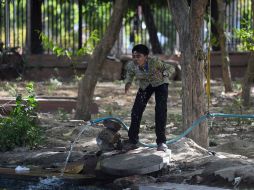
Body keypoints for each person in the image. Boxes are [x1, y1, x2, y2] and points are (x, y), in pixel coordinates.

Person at [124, 44, 174, 152]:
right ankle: (133, 140)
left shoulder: (155, 62)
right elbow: (129, 74)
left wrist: (164, 74)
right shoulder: (132, 65)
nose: (136, 59)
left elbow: (170, 68)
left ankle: (161, 142)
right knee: (136, 111)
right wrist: (128, 83)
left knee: (160, 111)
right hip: (145, 85)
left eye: (139, 56)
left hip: (160, 83)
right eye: (134, 56)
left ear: (146, 56)